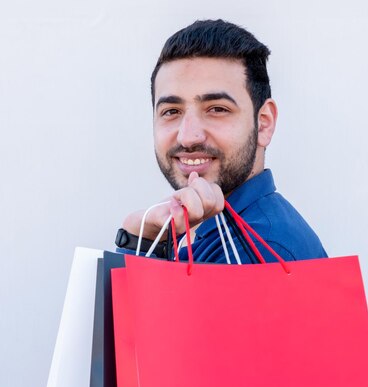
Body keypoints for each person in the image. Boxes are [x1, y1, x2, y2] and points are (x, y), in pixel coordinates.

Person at [116, 19, 327, 263]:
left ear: (264, 123)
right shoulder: (206, 230)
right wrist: (142, 238)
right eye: (171, 111)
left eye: (217, 109)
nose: (188, 137)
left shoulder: (259, 251)